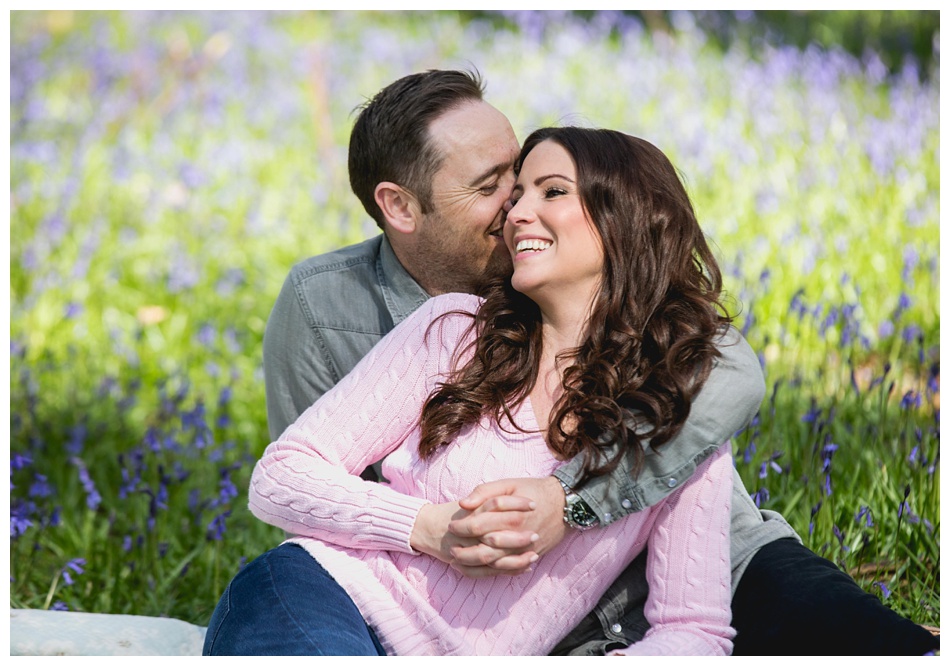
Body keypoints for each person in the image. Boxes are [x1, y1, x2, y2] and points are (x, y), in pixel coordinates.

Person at [230, 71, 939, 655]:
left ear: (619, 223)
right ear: (400, 208)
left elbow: (730, 374)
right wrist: (435, 528)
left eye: (536, 182)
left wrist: (571, 505)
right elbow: (300, 488)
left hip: (688, 568)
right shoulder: (401, 319)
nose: (515, 207)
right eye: (493, 188)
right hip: (396, 604)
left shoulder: (679, 385)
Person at [210, 125, 737, 655]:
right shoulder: (456, 331)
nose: (517, 214)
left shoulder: (681, 422)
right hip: (324, 596)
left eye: (551, 191)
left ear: (629, 216)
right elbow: (281, 475)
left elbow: (694, 629)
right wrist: (428, 526)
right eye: (516, 196)